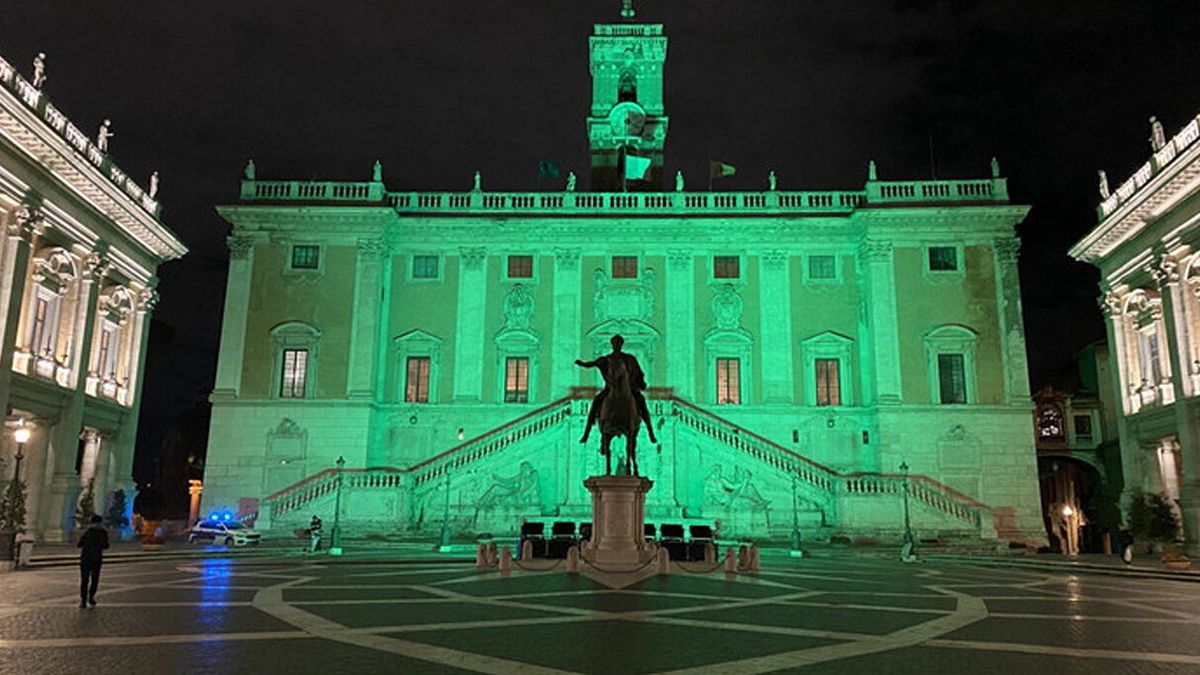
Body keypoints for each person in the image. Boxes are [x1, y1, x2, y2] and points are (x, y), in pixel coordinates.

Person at [576, 334, 656, 444]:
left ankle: (650, 431)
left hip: (630, 389)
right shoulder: (606, 359)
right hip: (610, 389)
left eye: (618, 343)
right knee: (596, 401)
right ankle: (586, 433)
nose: (617, 345)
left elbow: (638, 372)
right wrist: (582, 364)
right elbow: (592, 364)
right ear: (612, 345)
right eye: (615, 343)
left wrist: (641, 383)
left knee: (641, 402)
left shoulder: (629, 359)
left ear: (621, 344)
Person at [77, 515, 109, 608]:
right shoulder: (103, 533)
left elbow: (79, 544)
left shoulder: (87, 532)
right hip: (96, 558)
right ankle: (91, 597)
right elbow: (106, 545)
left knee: (84, 580)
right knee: (95, 579)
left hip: (85, 558)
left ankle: (83, 600)